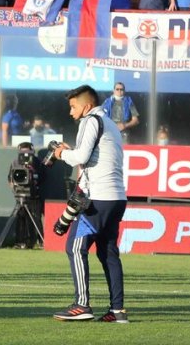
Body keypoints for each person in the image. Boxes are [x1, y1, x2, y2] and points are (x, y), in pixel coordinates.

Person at [51, 85, 128, 323]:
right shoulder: (111, 124)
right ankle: (117, 312)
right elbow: (94, 156)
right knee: (108, 253)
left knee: (74, 247)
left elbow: (82, 158)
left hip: (98, 200)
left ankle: (82, 305)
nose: (71, 112)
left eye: (73, 107)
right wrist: (72, 152)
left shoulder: (90, 120)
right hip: (117, 198)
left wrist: (62, 154)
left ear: (86, 106)